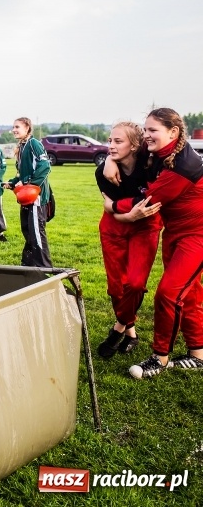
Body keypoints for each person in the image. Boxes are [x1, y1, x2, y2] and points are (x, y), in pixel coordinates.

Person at [103, 108, 203, 379]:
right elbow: (124, 150)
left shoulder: (184, 166)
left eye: (153, 130)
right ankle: (198, 353)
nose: (147, 135)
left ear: (174, 132)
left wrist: (112, 205)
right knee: (189, 294)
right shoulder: (158, 153)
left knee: (168, 294)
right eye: (145, 130)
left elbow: (146, 201)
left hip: (197, 236)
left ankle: (159, 357)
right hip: (174, 233)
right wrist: (107, 163)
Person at [95, 122, 162, 359]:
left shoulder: (151, 163)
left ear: (134, 145)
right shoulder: (103, 171)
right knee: (116, 287)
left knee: (134, 284)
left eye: (117, 141)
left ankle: (119, 327)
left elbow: (152, 198)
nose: (110, 146)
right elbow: (110, 209)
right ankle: (131, 332)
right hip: (114, 227)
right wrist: (129, 215)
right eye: (110, 141)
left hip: (145, 227)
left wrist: (133, 214)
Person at [2, 117, 53, 267]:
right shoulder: (22, 146)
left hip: (36, 197)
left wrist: (29, 183)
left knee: (37, 233)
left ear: (27, 128)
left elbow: (45, 167)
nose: (14, 130)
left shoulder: (34, 144)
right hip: (26, 197)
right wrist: (11, 183)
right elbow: (21, 175)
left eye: (17, 127)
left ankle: (44, 268)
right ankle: (29, 266)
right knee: (28, 232)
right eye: (13, 127)